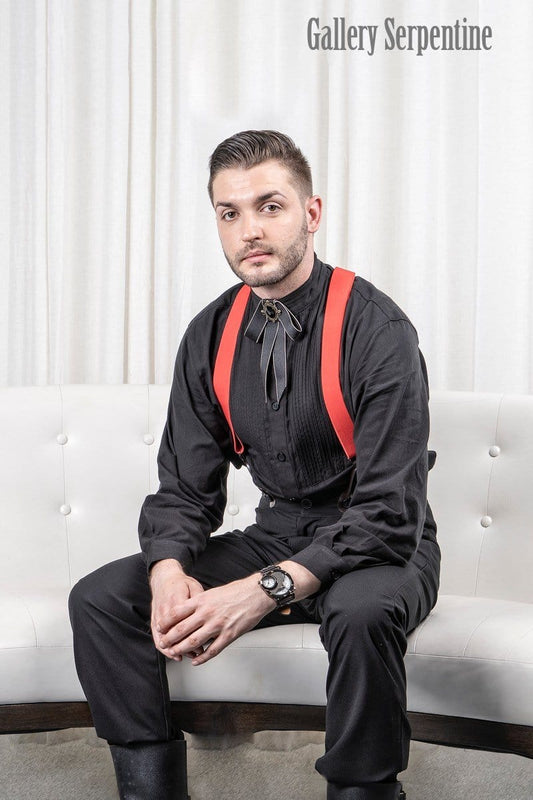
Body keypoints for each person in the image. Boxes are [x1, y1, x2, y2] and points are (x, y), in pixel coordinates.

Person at [69, 130, 440, 800]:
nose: (249, 230)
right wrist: (168, 569)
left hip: (380, 545)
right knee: (100, 598)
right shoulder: (210, 332)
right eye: (229, 212)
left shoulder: (377, 330)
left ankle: (363, 790)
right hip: (277, 531)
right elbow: (185, 486)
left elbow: (388, 511)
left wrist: (260, 591)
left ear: (311, 213)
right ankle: (149, 787)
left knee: (360, 614)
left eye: (269, 206)